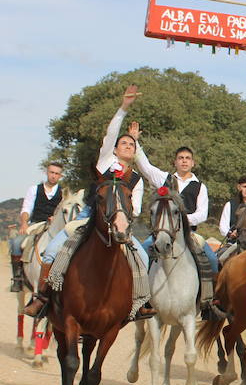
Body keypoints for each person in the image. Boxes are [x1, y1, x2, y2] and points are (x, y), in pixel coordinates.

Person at [26, 86, 155, 320]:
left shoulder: (136, 179)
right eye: (123, 143)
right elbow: (111, 132)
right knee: (52, 251)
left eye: (131, 145)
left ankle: (140, 304)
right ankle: (42, 298)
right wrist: (123, 108)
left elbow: (134, 207)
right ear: (115, 149)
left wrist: (121, 218)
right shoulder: (106, 161)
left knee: (143, 258)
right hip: (89, 216)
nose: (128, 146)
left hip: (120, 222)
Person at [134, 143, 217, 317]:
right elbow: (145, 167)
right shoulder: (164, 179)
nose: (184, 161)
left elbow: (202, 213)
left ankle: (208, 302)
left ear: (193, 163)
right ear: (175, 162)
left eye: (187, 158)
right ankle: (141, 300)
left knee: (211, 258)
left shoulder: (200, 186)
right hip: (162, 232)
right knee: (141, 253)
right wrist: (135, 142)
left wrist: (181, 220)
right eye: (181, 158)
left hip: (189, 233)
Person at [11, 162, 64, 292]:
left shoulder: (63, 192)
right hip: (37, 224)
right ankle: (18, 278)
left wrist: (55, 217)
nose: (53, 176)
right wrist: (24, 223)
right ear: (47, 172)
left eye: (57, 174)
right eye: (51, 172)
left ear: (60, 176)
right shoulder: (34, 189)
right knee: (16, 243)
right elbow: (26, 208)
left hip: (56, 227)